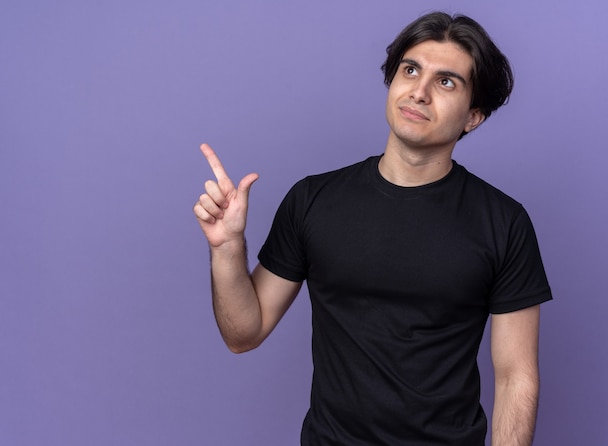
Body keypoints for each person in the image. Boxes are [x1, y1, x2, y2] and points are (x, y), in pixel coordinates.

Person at [193, 11, 552, 446]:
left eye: (446, 82)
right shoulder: (313, 200)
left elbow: (516, 378)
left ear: (473, 116)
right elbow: (242, 334)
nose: (418, 92)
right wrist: (227, 248)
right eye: (410, 70)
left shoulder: (504, 222)